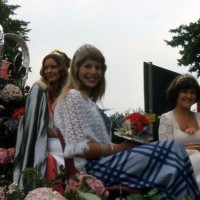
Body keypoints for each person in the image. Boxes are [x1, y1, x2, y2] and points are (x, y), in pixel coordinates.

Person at [54, 44, 200, 199]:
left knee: (173, 164)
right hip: (93, 170)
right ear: (76, 70)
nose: (93, 72)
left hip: (105, 164)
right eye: (87, 66)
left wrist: (130, 143)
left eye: (98, 67)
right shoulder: (73, 97)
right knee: (173, 149)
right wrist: (119, 148)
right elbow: (78, 148)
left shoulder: (86, 101)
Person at [13, 50, 71, 187]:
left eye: (53, 67)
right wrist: (51, 132)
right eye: (46, 67)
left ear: (61, 69)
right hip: (44, 142)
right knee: (53, 159)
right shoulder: (39, 90)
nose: (49, 71)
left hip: (68, 142)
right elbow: (31, 124)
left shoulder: (70, 93)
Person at [159, 73, 200, 189]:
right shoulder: (166, 118)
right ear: (176, 93)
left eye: (192, 92)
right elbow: (166, 150)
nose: (189, 96)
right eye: (185, 91)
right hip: (179, 165)